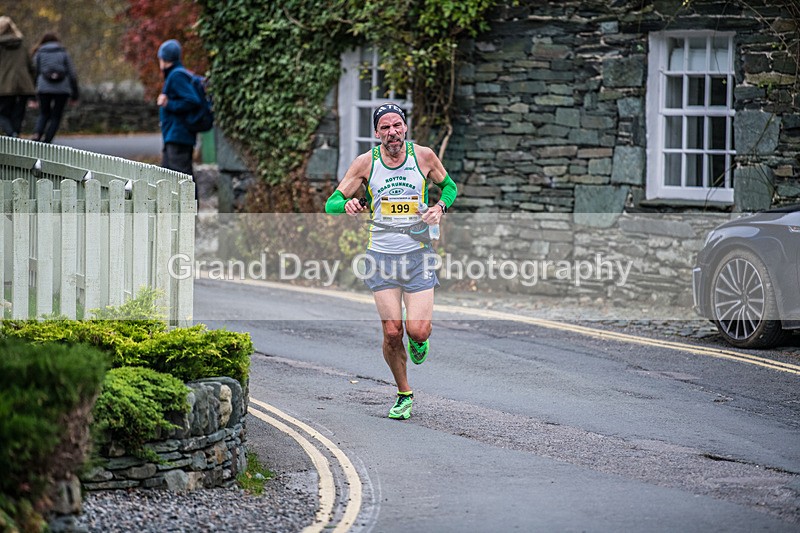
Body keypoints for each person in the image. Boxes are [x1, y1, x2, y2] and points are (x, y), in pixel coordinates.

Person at [325, 103, 458, 420]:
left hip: (418, 255)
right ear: (376, 133)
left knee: (418, 331)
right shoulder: (365, 163)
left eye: (397, 125)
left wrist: (439, 208)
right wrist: (347, 205)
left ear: (405, 127)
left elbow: (450, 187)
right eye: (385, 127)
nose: (392, 132)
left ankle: (420, 339)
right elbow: (332, 202)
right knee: (392, 332)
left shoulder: (423, 157)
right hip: (381, 257)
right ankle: (404, 393)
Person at [156, 39, 202, 177]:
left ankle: (192, 194)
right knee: (167, 177)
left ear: (164, 59)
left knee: (182, 178)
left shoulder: (176, 75)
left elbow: (192, 100)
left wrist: (168, 104)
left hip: (179, 136)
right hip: (174, 135)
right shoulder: (175, 74)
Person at [31, 32, 79, 143]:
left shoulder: (39, 53)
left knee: (44, 113)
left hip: (44, 87)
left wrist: (32, 95)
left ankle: (37, 133)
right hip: (62, 88)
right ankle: (48, 140)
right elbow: (72, 73)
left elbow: (34, 72)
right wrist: (75, 94)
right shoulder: (63, 52)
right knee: (56, 115)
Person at [0, 17, 35, 137]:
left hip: (3, 85)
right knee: (18, 114)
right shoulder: (21, 44)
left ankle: (11, 135)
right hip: (23, 84)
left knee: (2, 113)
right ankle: (16, 136)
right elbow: (31, 66)